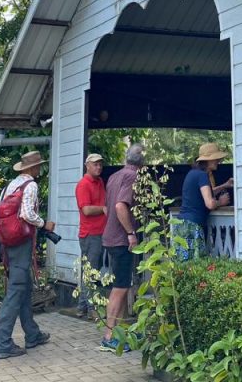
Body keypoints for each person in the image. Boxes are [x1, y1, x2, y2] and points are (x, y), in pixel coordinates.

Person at [0, 150, 54, 360]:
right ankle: (3, 344)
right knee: (16, 290)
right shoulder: (30, 185)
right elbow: (27, 214)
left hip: (9, 243)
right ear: (32, 168)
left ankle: (32, 334)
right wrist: (43, 223)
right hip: (21, 243)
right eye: (38, 165)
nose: (40, 168)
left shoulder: (10, 186)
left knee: (25, 286)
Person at [100, 143, 145, 350]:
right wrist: (130, 233)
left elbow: (108, 207)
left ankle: (118, 332)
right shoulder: (132, 177)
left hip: (109, 237)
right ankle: (109, 336)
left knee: (122, 285)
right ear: (142, 162)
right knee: (120, 288)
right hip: (121, 239)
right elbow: (119, 206)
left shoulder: (113, 176)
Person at [173, 143, 233, 259]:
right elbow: (209, 203)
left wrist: (225, 185)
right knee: (194, 265)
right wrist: (221, 202)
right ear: (208, 161)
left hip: (182, 224)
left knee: (182, 264)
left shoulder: (192, 174)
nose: (218, 161)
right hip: (193, 225)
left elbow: (204, 193)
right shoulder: (202, 176)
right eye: (216, 159)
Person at [75, 152, 107, 319]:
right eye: (95, 164)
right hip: (89, 234)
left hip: (99, 232)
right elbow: (86, 210)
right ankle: (92, 308)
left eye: (100, 164)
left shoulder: (100, 181)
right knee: (91, 271)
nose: (98, 167)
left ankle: (81, 307)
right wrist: (103, 208)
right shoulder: (83, 184)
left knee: (92, 269)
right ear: (87, 165)